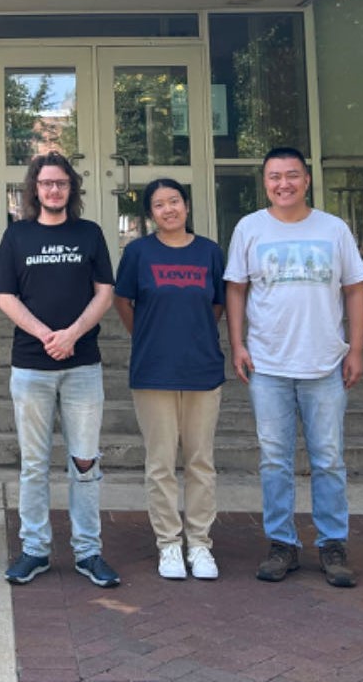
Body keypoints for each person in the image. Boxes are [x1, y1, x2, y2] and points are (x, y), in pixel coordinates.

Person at [224, 147, 363, 588]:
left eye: (291, 175)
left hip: (324, 363)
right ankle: (281, 544)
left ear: (307, 180)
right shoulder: (249, 227)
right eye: (274, 177)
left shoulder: (333, 229)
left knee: (328, 459)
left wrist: (356, 349)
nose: (282, 183)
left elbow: (355, 290)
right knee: (274, 460)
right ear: (264, 182)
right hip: (268, 364)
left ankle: (332, 544)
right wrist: (238, 343)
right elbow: (235, 290)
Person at [0, 152, 119, 588]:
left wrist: (72, 335)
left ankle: (88, 551)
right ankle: (35, 550)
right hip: (31, 367)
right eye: (46, 183)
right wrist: (48, 334)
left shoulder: (89, 233)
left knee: (85, 462)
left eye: (61, 184)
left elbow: (105, 291)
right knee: (34, 464)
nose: (53, 190)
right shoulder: (17, 237)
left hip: (82, 366)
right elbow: (5, 297)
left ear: (71, 189)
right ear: (34, 189)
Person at [114, 177, 226, 582]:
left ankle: (200, 543)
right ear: (150, 215)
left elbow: (217, 304)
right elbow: (123, 301)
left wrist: (190, 333)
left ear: (187, 206)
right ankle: (168, 544)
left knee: (200, 461)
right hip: (153, 370)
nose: (168, 209)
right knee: (160, 462)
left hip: (202, 368)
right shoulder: (138, 253)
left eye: (174, 201)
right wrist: (148, 334)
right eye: (159, 205)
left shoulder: (209, 252)